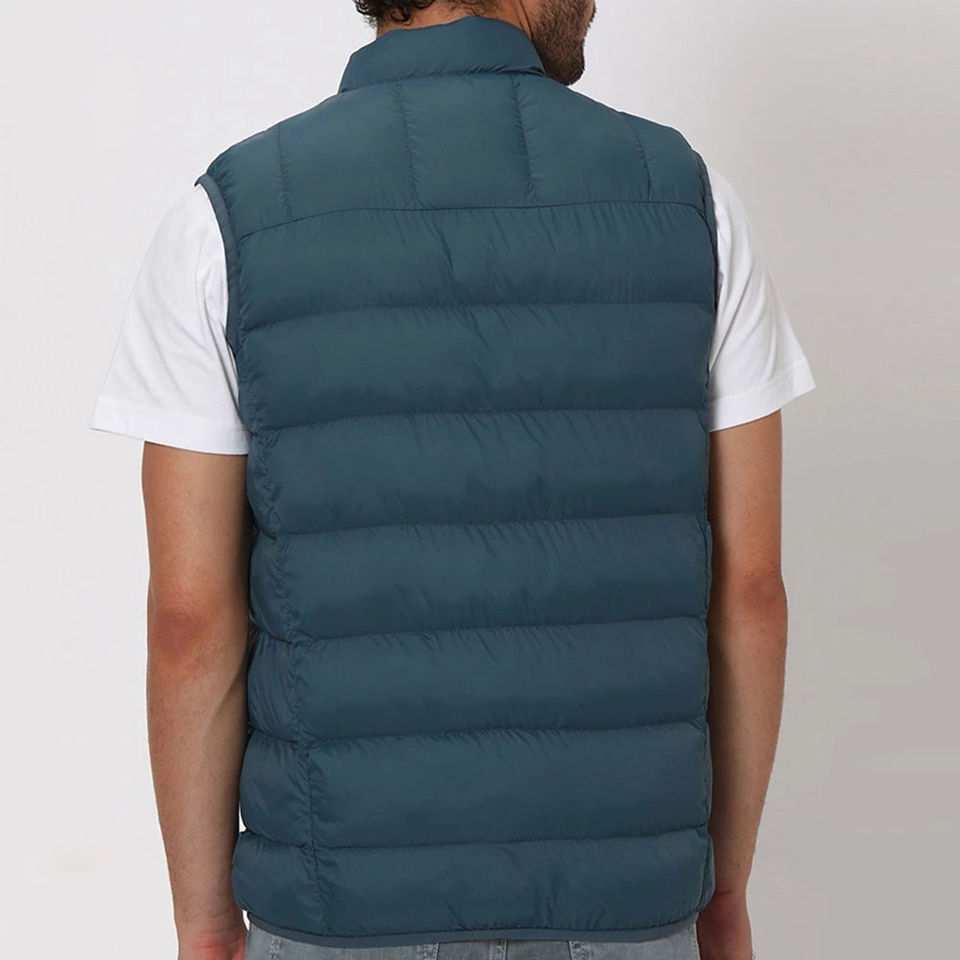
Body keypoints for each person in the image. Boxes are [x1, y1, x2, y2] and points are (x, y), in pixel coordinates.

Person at [89, 2, 816, 959]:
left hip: (339, 909)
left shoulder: (228, 215)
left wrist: (203, 919)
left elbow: (190, 620)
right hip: (626, 910)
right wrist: (723, 893)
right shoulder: (688, 198)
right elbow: (751, 592)